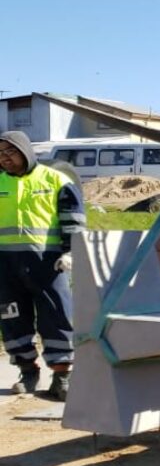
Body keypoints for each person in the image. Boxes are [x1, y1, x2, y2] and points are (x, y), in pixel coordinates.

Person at [0, 130, 86, 400]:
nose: (5, 159)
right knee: (13, 318)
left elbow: (73, 220)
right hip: (6, 265)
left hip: (49, 264)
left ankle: (62, 376)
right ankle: (28, 372)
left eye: (10, 152)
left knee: (57, 316)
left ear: (25, 151)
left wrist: (71, 252)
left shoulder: (56, 180)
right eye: (1, 154)